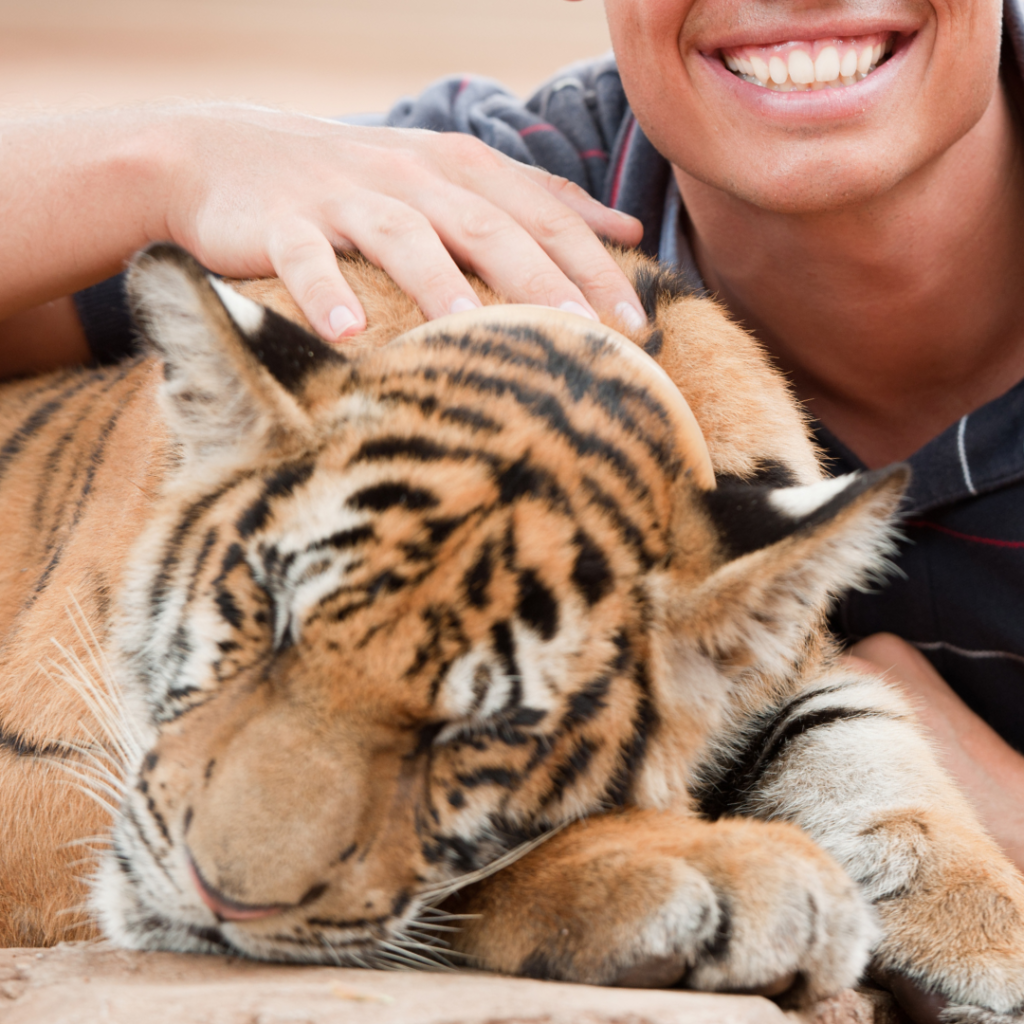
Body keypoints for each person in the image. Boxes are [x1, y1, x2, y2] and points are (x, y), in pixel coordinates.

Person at [1, 0, 1022, 984]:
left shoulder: (734, 540)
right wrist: (173, 163)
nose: (235, 871)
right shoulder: (430, 219)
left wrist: (951, 768)